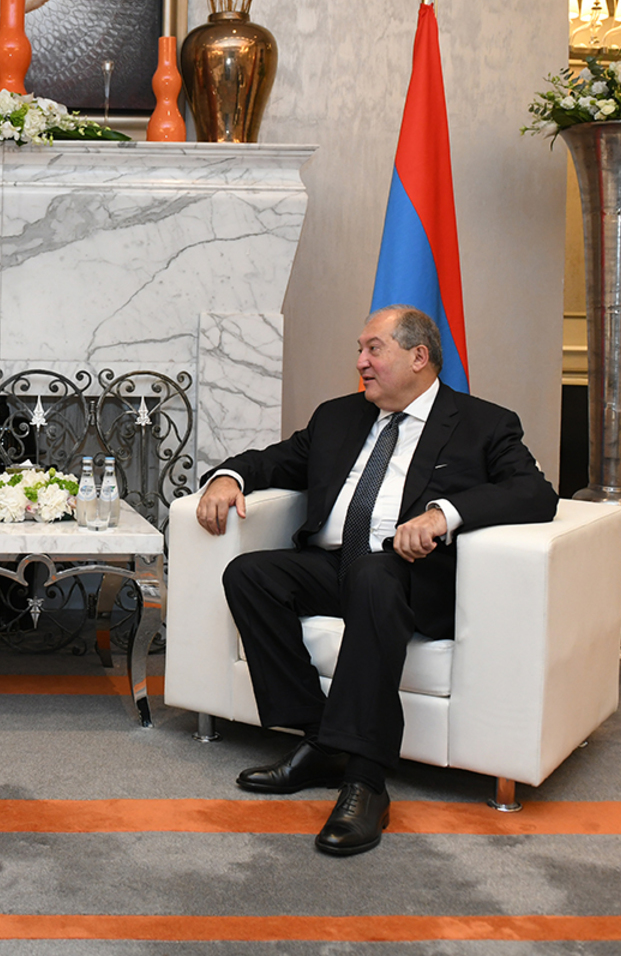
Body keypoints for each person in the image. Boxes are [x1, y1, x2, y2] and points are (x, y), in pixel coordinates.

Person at [196, 305, 557, 856]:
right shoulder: (338, 416)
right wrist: (228, 477)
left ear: (418, 357)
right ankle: (322, 740)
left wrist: (443, 515)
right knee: (251, 574)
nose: (360, 362)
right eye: (359, 351)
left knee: (373, 575)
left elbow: (534, 493)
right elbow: (275, 461)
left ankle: (365, 781)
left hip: (414, 577)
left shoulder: (483, 423)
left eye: (373, 349)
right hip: (337, 565)